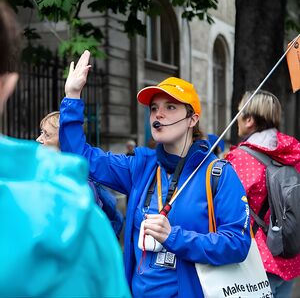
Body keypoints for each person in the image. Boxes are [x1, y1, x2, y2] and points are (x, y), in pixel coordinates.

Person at [59, 50, 252, 297]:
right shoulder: (141, 165)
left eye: (170, 107)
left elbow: (237, 243)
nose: (158, 114)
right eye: (153, 108)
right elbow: (81, 158)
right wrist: (72, 97)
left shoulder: (219, 174)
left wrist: (175, 237)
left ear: (192, 119)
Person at [0, 3, 130, 297]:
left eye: (45, 134)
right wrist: (71, 95)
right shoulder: (73, 216)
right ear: (8, 85)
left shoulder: (79, 196)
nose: (37, 140)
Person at [225, 90, 300, 298]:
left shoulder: (240, 158)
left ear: (249, 120)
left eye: (239, 112)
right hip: (291, 256)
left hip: (257, 262)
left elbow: (227, 209)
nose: (237, 117)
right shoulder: (293, 153)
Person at [36, 110, 124, 237]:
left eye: (47, 134)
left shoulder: (80, 184)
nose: (38, 139)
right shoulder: (47, 172)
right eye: (41, 132)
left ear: (64, 141)